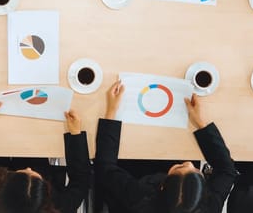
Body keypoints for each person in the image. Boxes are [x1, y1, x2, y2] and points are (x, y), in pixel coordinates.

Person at [94, 80, 236, 213]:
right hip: (167, 158)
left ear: (162, 186)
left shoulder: (139, 198)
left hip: (133, 173)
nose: (190, 164)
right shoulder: (208, 207)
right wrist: (200, 124)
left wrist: (111, 112)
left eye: (181, 167)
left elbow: (105, 167)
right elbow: (227, 170)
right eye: (196, 172)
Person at [0, 99, 91, 213]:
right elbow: (81, 182)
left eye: (24, 172)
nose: (28, 168)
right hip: (31, 148)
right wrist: (75, 134)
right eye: (34, 176)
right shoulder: (58, 207)